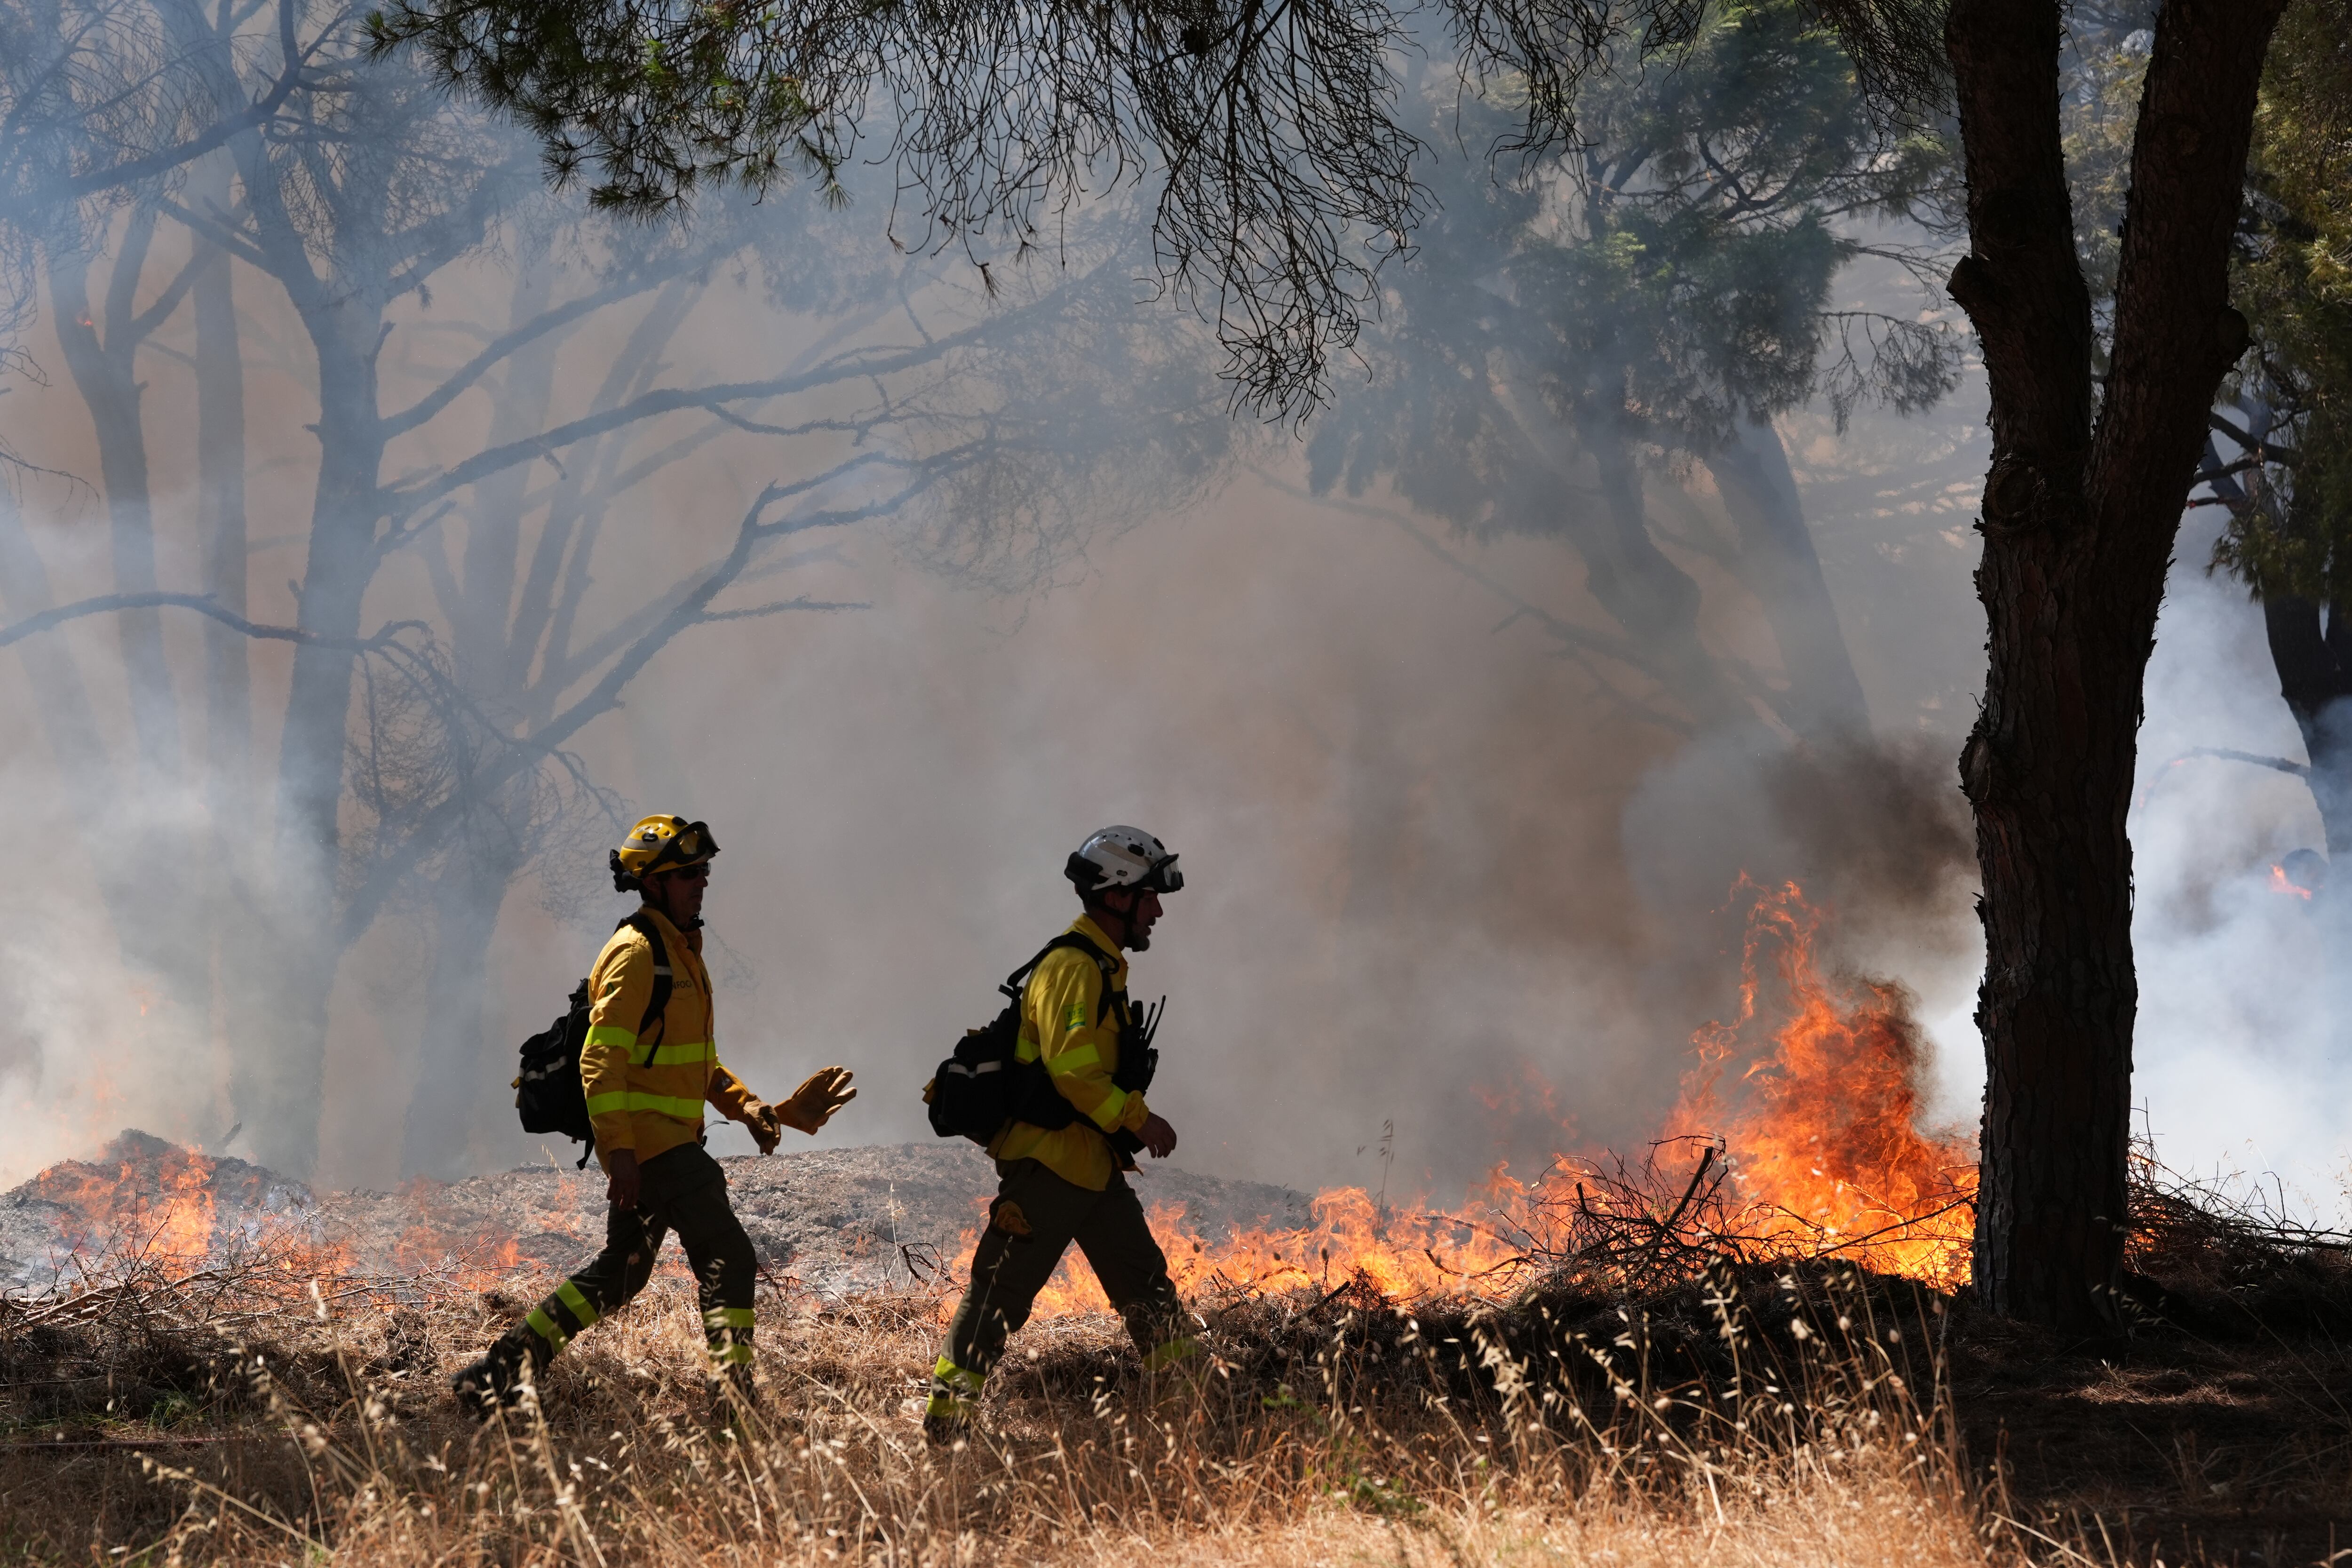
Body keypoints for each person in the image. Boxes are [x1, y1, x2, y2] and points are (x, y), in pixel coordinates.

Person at [452, 814, 857, 1419]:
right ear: (653, 884)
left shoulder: (680, 953)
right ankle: (732, 1405)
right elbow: (599, 1059)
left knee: (621, 1276)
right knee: (732, 1258)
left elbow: (696, 1065)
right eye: (687, 873)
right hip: (654, 1151)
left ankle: (499, 1373)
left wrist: (755, 1110)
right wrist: (619, 1151)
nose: (701, 882)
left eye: (703, 872)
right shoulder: (638, 954)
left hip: (658, 1147)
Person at [923, 826, 1200, 1441]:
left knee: (1149, 1292)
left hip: (1090, 1168)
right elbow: (1073, 1073)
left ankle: (1198, 1417)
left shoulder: (1102, 968)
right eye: (1150, 895)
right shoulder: (1073, 968)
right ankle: (946, 1431)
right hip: (1049, 1168)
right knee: (997, 1296)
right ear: (1118, 893)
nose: (1157, 909)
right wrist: (1139, 1118)